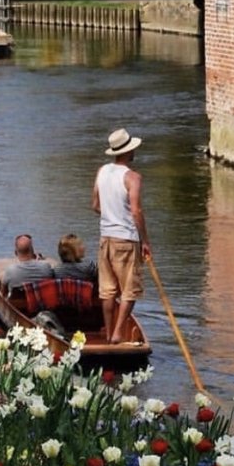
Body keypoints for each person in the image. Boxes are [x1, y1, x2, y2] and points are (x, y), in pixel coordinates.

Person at [91, 127, 151, 344]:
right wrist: (145, 241)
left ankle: (108, 334)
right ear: (128, 152)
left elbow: (95, 205)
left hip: (105, 238)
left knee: (107, 290)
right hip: (126, 238)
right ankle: (117, 334)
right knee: (129, 290)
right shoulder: (133, 177)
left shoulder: (102, 171)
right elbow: (136, 211)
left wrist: (110, 213)